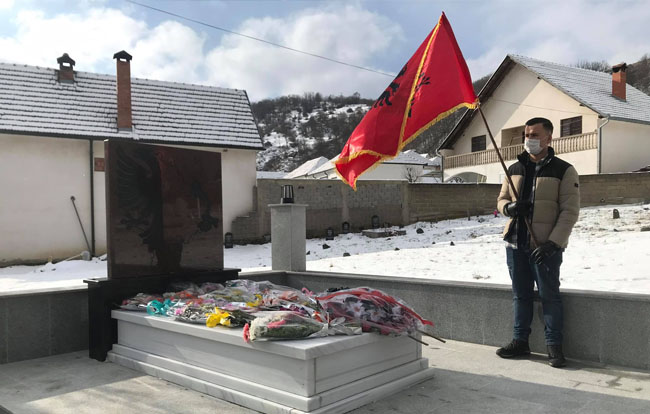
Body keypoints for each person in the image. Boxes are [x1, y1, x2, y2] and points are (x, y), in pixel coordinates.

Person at [496, 117, 580, 368]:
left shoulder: (564, 170)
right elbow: (500, 200)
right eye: (526, 135)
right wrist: (510, 208)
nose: (529, 139)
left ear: (548, 138)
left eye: (534, 135)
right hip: (516, 244)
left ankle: (554, 346)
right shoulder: (514, 168)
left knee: (549, 297)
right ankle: (520, 341)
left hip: (545, 248)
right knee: (520, 296)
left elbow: (570, 211)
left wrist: (554, 244)